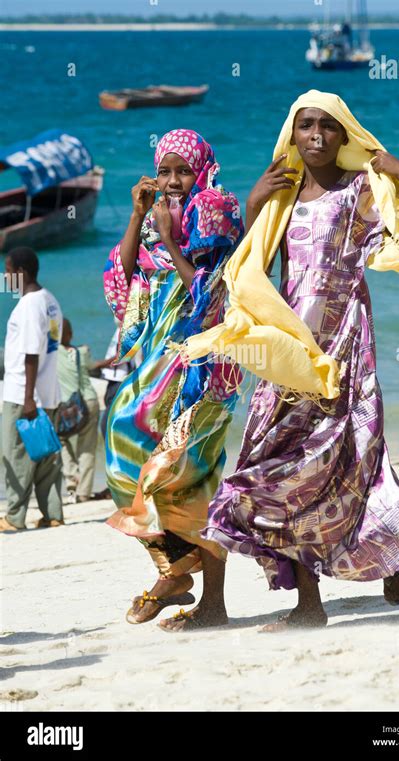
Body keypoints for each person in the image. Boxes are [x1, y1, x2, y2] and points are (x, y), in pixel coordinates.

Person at [159, 90, 399, 632]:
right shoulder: (282, 193)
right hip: (288, 349)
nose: (316, 135)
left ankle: (360, 568)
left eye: (327, 126)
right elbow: (243, 272)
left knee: (346, 458)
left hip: (343, 346)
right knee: (261, 467)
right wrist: (255, 202)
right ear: (292, 134)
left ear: (344, 135)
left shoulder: (361, 190)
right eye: (305, 125)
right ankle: (236, 603)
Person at [103, 129, 244, 624]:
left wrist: (169, 237)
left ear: (202, 168)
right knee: (122, 442)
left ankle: (211, 602)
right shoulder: (154, 216)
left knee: (194, 475)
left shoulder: (217, 210)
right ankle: (173, 563)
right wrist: (140, 215)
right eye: (164, 171)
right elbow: (121, 279)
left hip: (204, 364)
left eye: (183, 170)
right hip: (155, 360)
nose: (173, 180)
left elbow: (214, 291)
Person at [0, 247, 64, 532]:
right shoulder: (49, 300)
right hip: (48, 391)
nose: (5, 277)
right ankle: (53, 514)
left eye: (8, 271)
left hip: (23, 394)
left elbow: (30, 354)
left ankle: (14, 517)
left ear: (21, 273)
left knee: (16, 455)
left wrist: (27, 399)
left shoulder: (28, 306)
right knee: (46, 459)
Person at [57, 318, 103, 504]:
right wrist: (110, 360)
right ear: (71, 335)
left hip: (67, 407)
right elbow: (93, 367)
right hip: (88, 403)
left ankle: (72, 476)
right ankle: (83, 493)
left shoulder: (50, 353)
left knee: (60, 439)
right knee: (87, 447)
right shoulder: (81, 352)